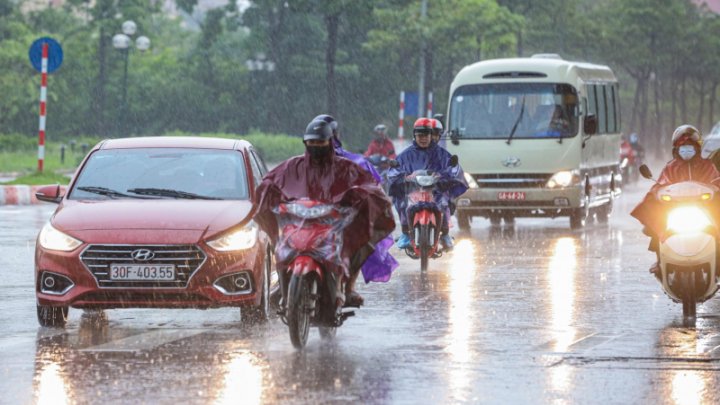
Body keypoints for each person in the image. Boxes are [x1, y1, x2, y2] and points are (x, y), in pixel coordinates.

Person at [254, 119, 395, 307]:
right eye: (312, 142)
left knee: (357, 244)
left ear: (330, 141)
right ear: (305, 142)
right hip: (298, 225)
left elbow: (369, 186)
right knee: (280, 246)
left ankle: (346, 288)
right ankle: (283, 285)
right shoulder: (293, 166)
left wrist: (360, 198)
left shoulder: (346, 167)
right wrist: (267, 193)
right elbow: (271, 181)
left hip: (334, 227)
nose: (316, 147)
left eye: (320, 143)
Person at [631, 125, 720, 276]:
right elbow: (660, 185)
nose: (686, 149)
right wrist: (655, 195)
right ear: (676, 149)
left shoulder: (707, 166)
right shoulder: (670, 167)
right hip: (674, 210)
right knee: (658, 226)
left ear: (697, 148)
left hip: (704, 211)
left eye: (690, 146)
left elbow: (716, 182)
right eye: (682, 146)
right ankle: (660, 260)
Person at [388, 117, 469, 250]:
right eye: (420, 135)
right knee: (401, 201)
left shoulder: (442, 154)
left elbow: (453, 168)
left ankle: (445, 234)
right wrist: (403, 177)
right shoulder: (405, 155)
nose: (423, 138)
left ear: (431, 135)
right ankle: (405, 233)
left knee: (444, 202)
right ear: (415, 135)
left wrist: (445, 177)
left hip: (436, 190)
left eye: (426, 135)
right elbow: (394, 169)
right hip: (412, 190)